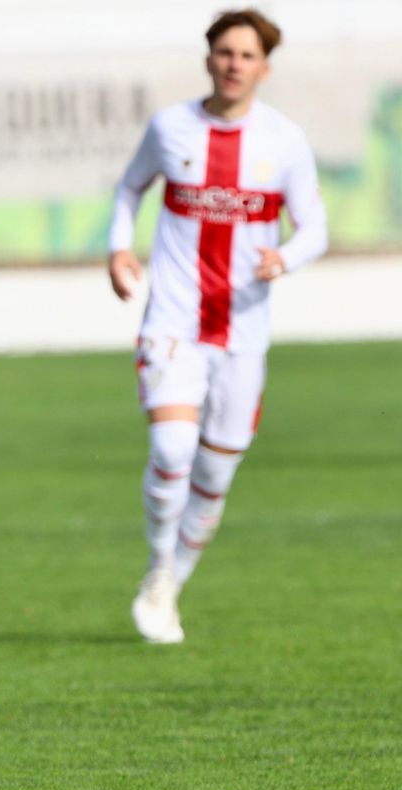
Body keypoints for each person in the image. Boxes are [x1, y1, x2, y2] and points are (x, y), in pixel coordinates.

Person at [108, 8, 326, 644]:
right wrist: (121, 249)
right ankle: (156, 571)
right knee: (173, 450)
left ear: (265, 67)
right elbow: (129, 189)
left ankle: (173, 581)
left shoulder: (283, 141)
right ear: (209, 58)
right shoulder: (171, 127)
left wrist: (285, 255)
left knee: (215, 476)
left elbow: (316, 226)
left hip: (243, 335)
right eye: (225, 52)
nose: (235, 64)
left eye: (247, 55)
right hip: (173, 322)